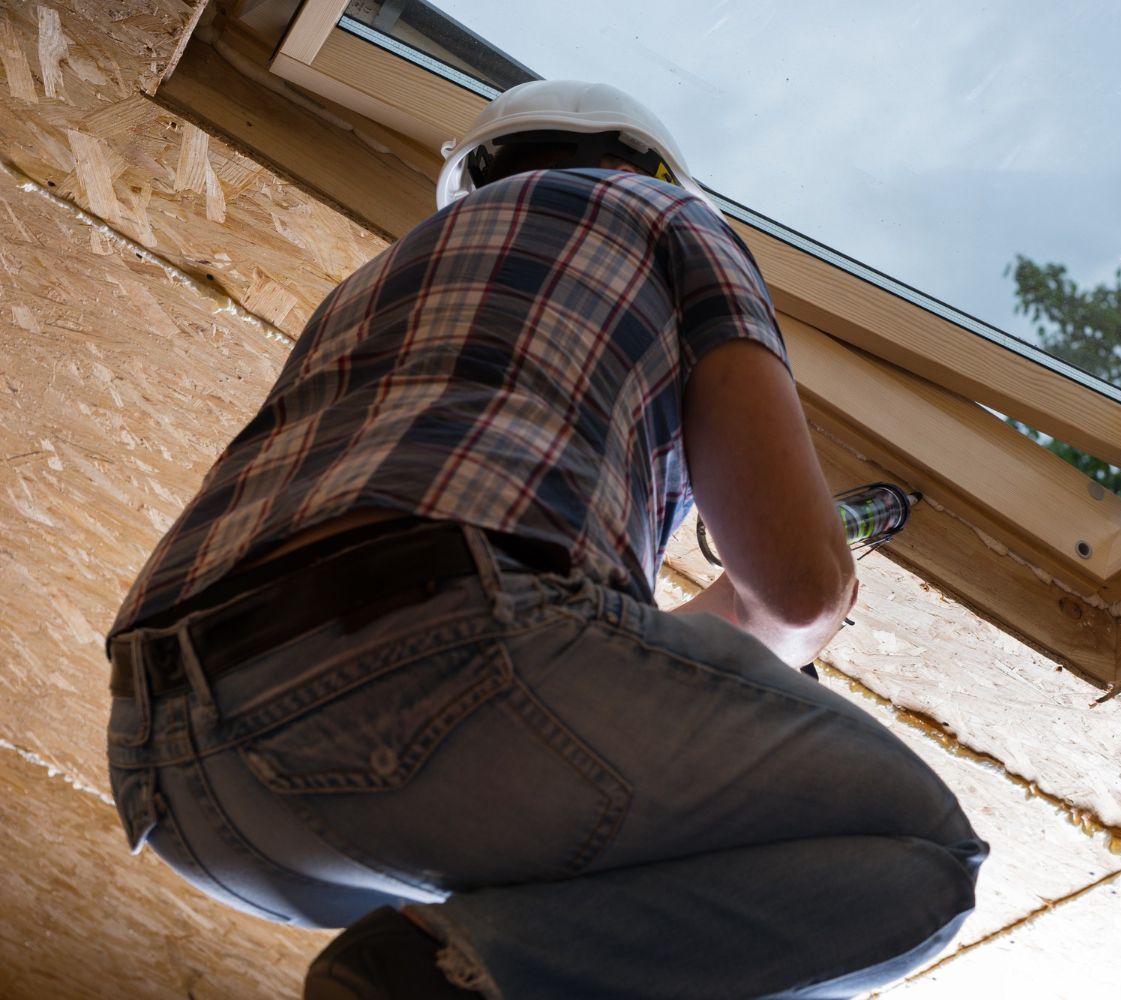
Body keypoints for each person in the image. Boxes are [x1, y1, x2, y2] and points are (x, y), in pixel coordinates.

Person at [104, 79, 986, 999]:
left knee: (553, 909)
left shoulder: (371, 287)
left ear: (475, 176)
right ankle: (428, 977)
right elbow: (799, 590)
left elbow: (571, 672)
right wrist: (796, 638)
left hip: (181, 786)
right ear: (643, 166)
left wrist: (710, 646)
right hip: (425, 682)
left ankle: (438, 974)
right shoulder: (664, 216)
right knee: (917, 855)